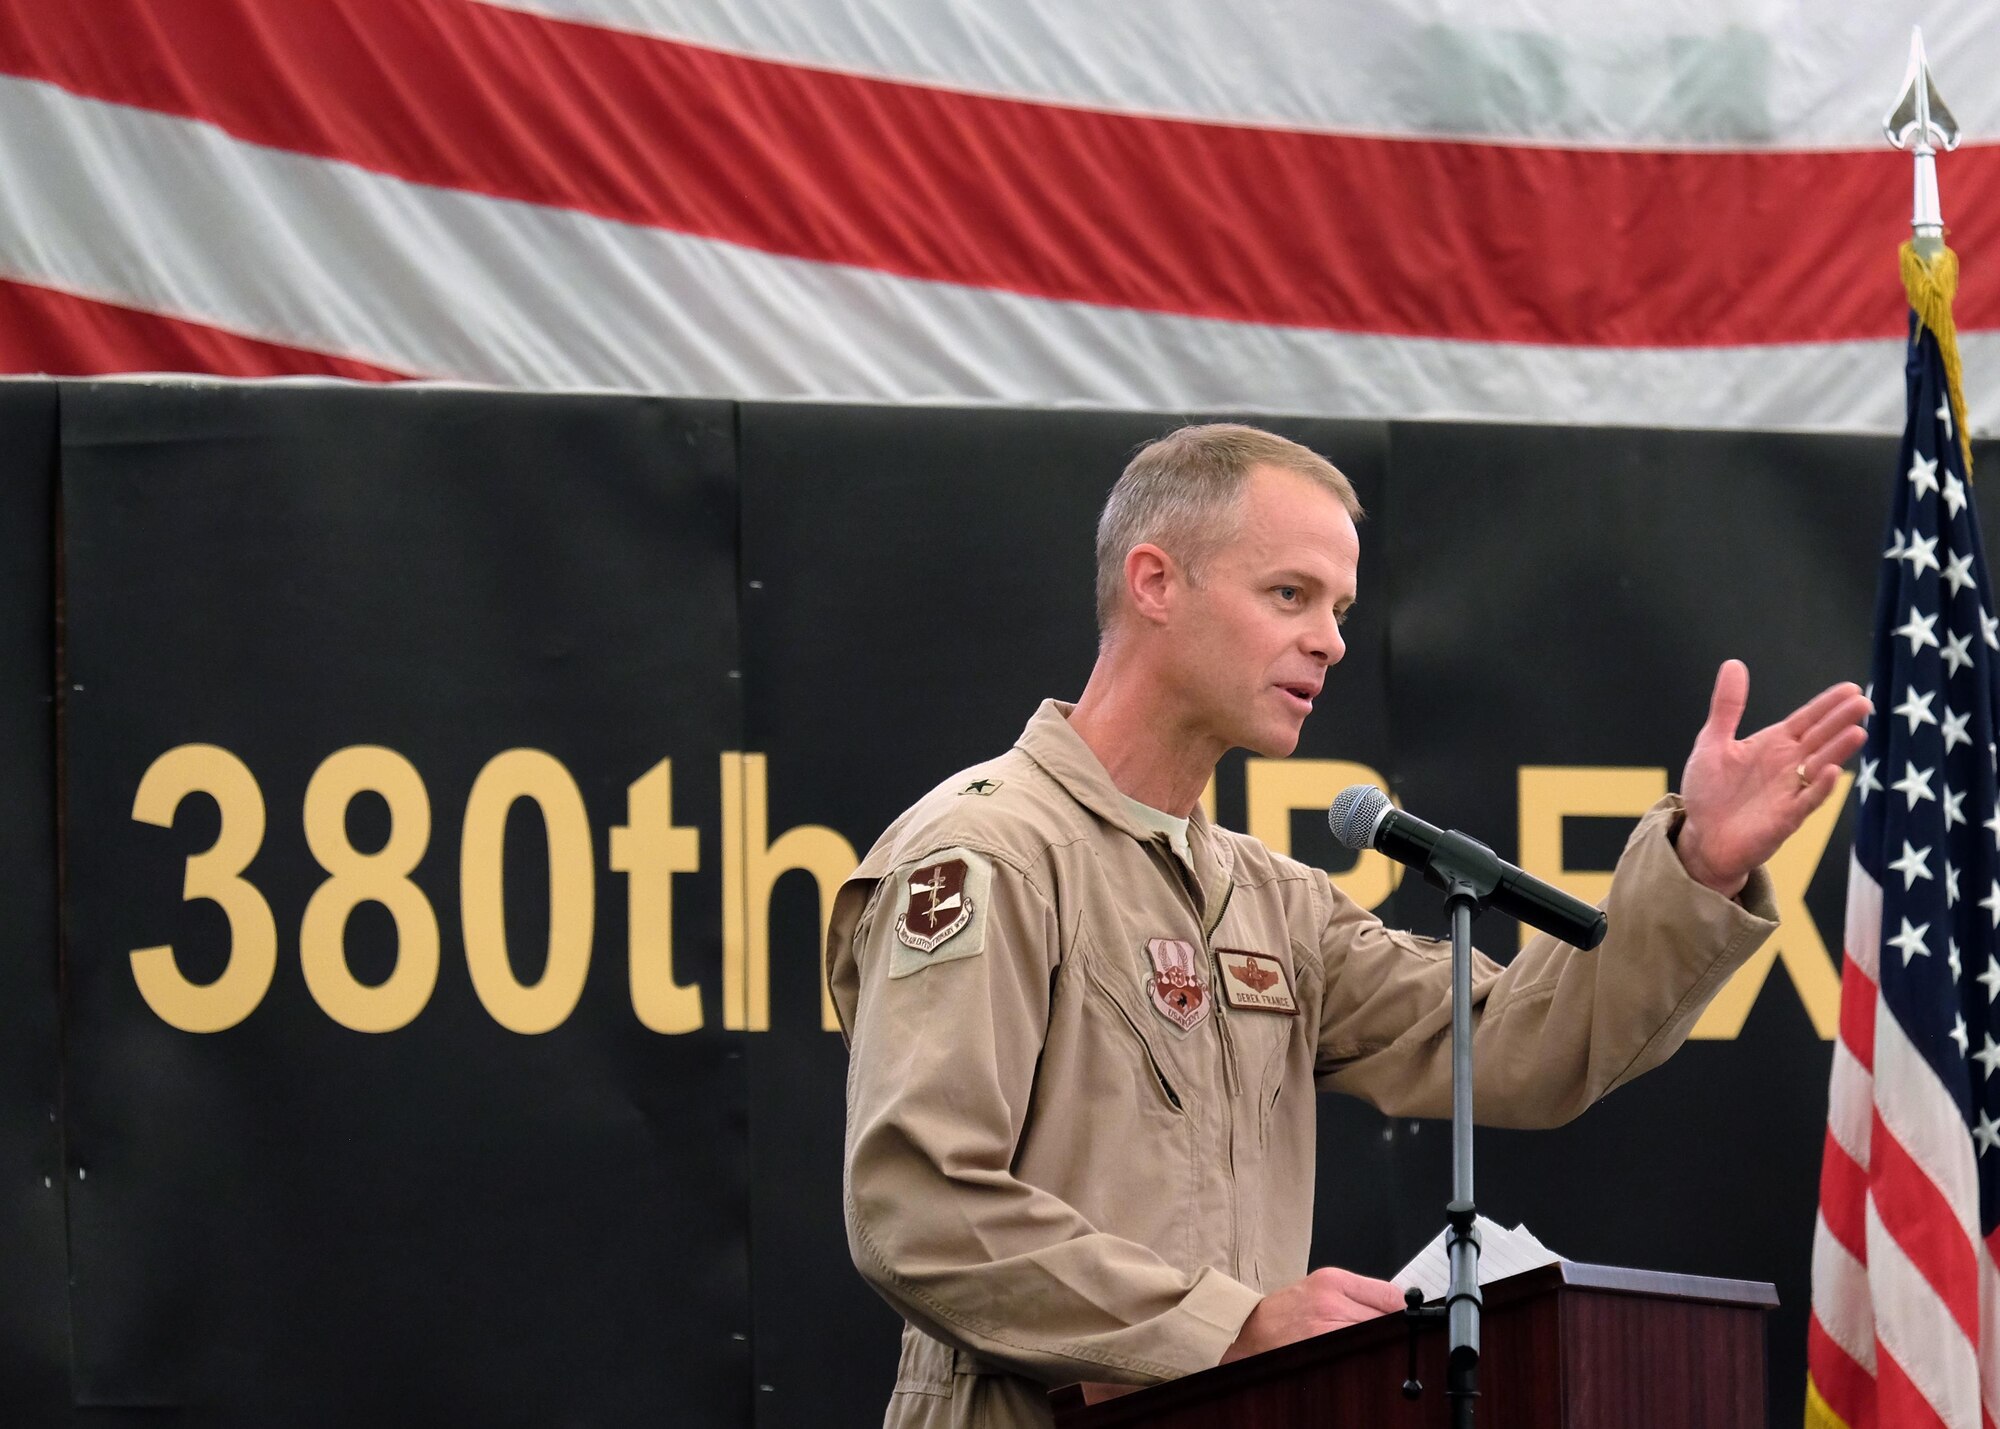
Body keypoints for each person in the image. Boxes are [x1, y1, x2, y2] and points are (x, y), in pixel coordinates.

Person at [824, 424, 1869, 1429]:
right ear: (1153, 582)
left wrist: (1693, 867)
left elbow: (1520, 1045)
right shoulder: (988, 853)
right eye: (1288, 594)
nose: (1326, 638)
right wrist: (1228, 1328)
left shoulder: (1272, 900)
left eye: (1337, 606)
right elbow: (920, 1209)